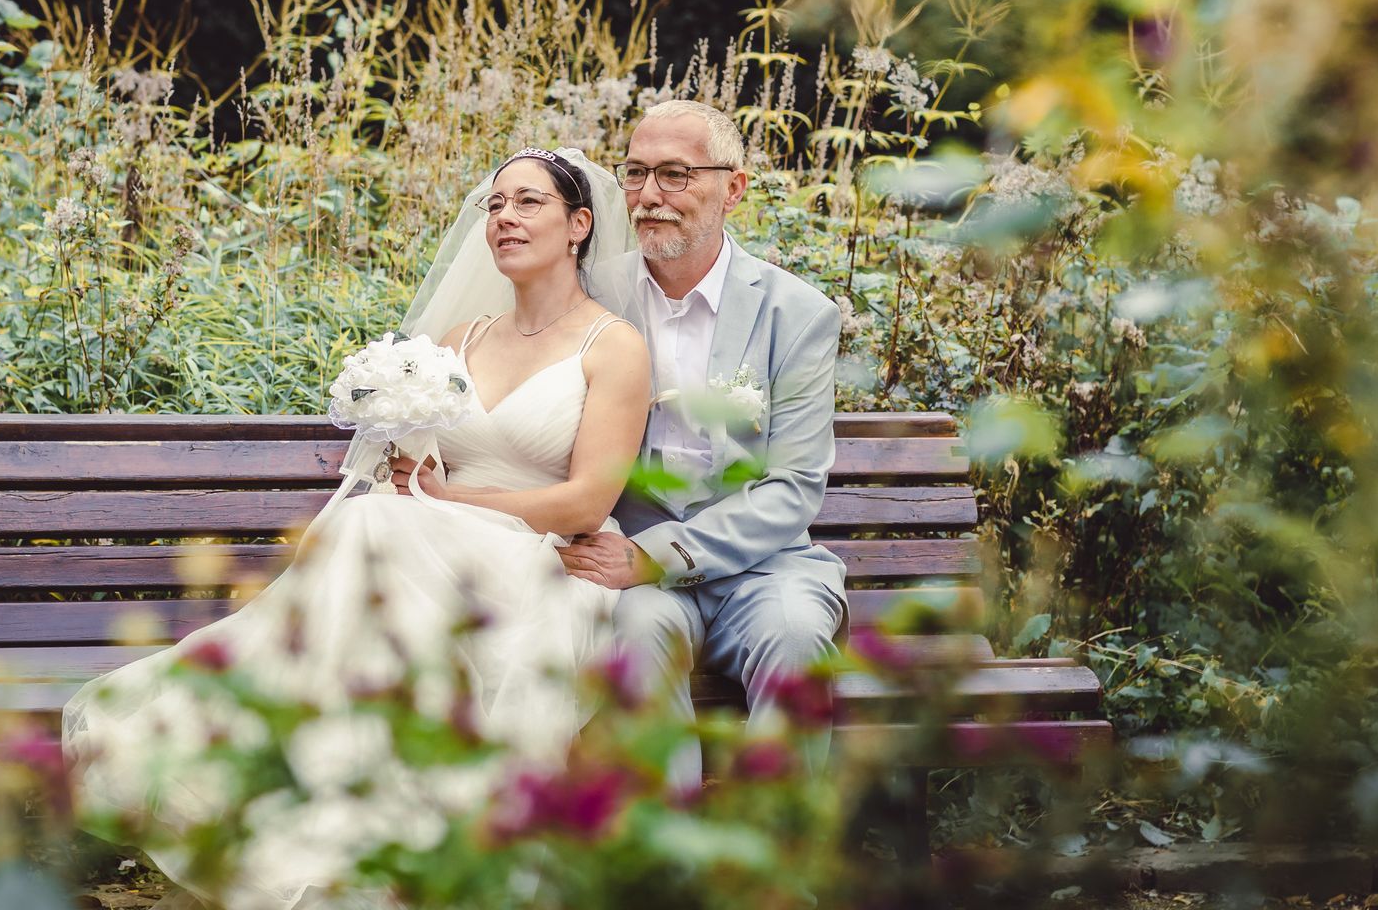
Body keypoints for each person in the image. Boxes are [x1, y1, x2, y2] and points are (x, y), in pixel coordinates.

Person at [63, 147, 650, 910]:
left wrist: (447, 500)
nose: (504, 218)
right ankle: (329, 815)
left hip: (540, 570)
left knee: (377, 528)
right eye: (494, 204)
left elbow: (583, 506)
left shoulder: (614, 346)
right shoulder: (459, 341)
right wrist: (410, 464)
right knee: (373, 519)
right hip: (427, 550)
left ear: (579, 224)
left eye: (529, 203)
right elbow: (409, 468)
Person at [563, 101, 845, 789]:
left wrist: (654, 556)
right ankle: (668, 866)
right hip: (638, 575)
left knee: (798, 637)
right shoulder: (590, 297)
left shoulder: (797, 313)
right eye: (634, 174)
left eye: (675, 174)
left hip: (766, 569)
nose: (649, 196)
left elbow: (793, 488)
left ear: (735, 188)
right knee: (635, 633)